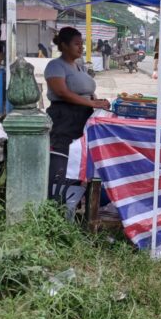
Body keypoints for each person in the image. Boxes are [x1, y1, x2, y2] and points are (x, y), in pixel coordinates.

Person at [45, 27, 110, 196]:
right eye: (76, 44)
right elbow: (62, 93)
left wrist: (98, 101)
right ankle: (57, 199)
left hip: (83, 116)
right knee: (63, 156)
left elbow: (86, 91)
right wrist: (92, 102)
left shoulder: (79, 66)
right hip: (64, 117)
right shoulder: (55, 66)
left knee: (80, 156)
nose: (81, 48)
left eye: (82, 44)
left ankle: (76, 197)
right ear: (64, 45)